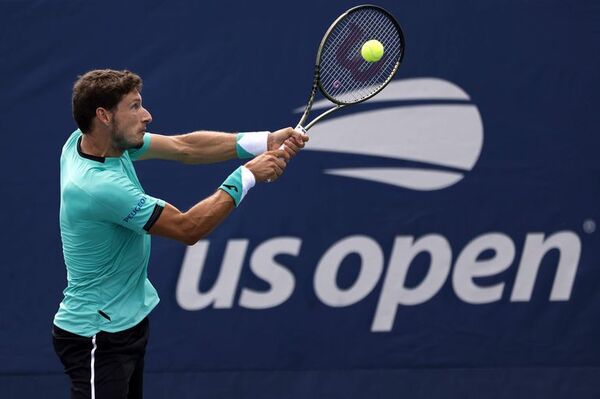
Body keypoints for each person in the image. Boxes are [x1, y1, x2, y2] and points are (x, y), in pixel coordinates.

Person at [52, 69, 308, 399]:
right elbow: (188, 228)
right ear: (103, 115)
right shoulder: (97, 187)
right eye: (134, 107)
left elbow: (183, 147)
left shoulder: (87, 140)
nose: (147, 115)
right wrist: (246, 176)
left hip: (126, 321)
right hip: (95, 335)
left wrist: (265, 141)